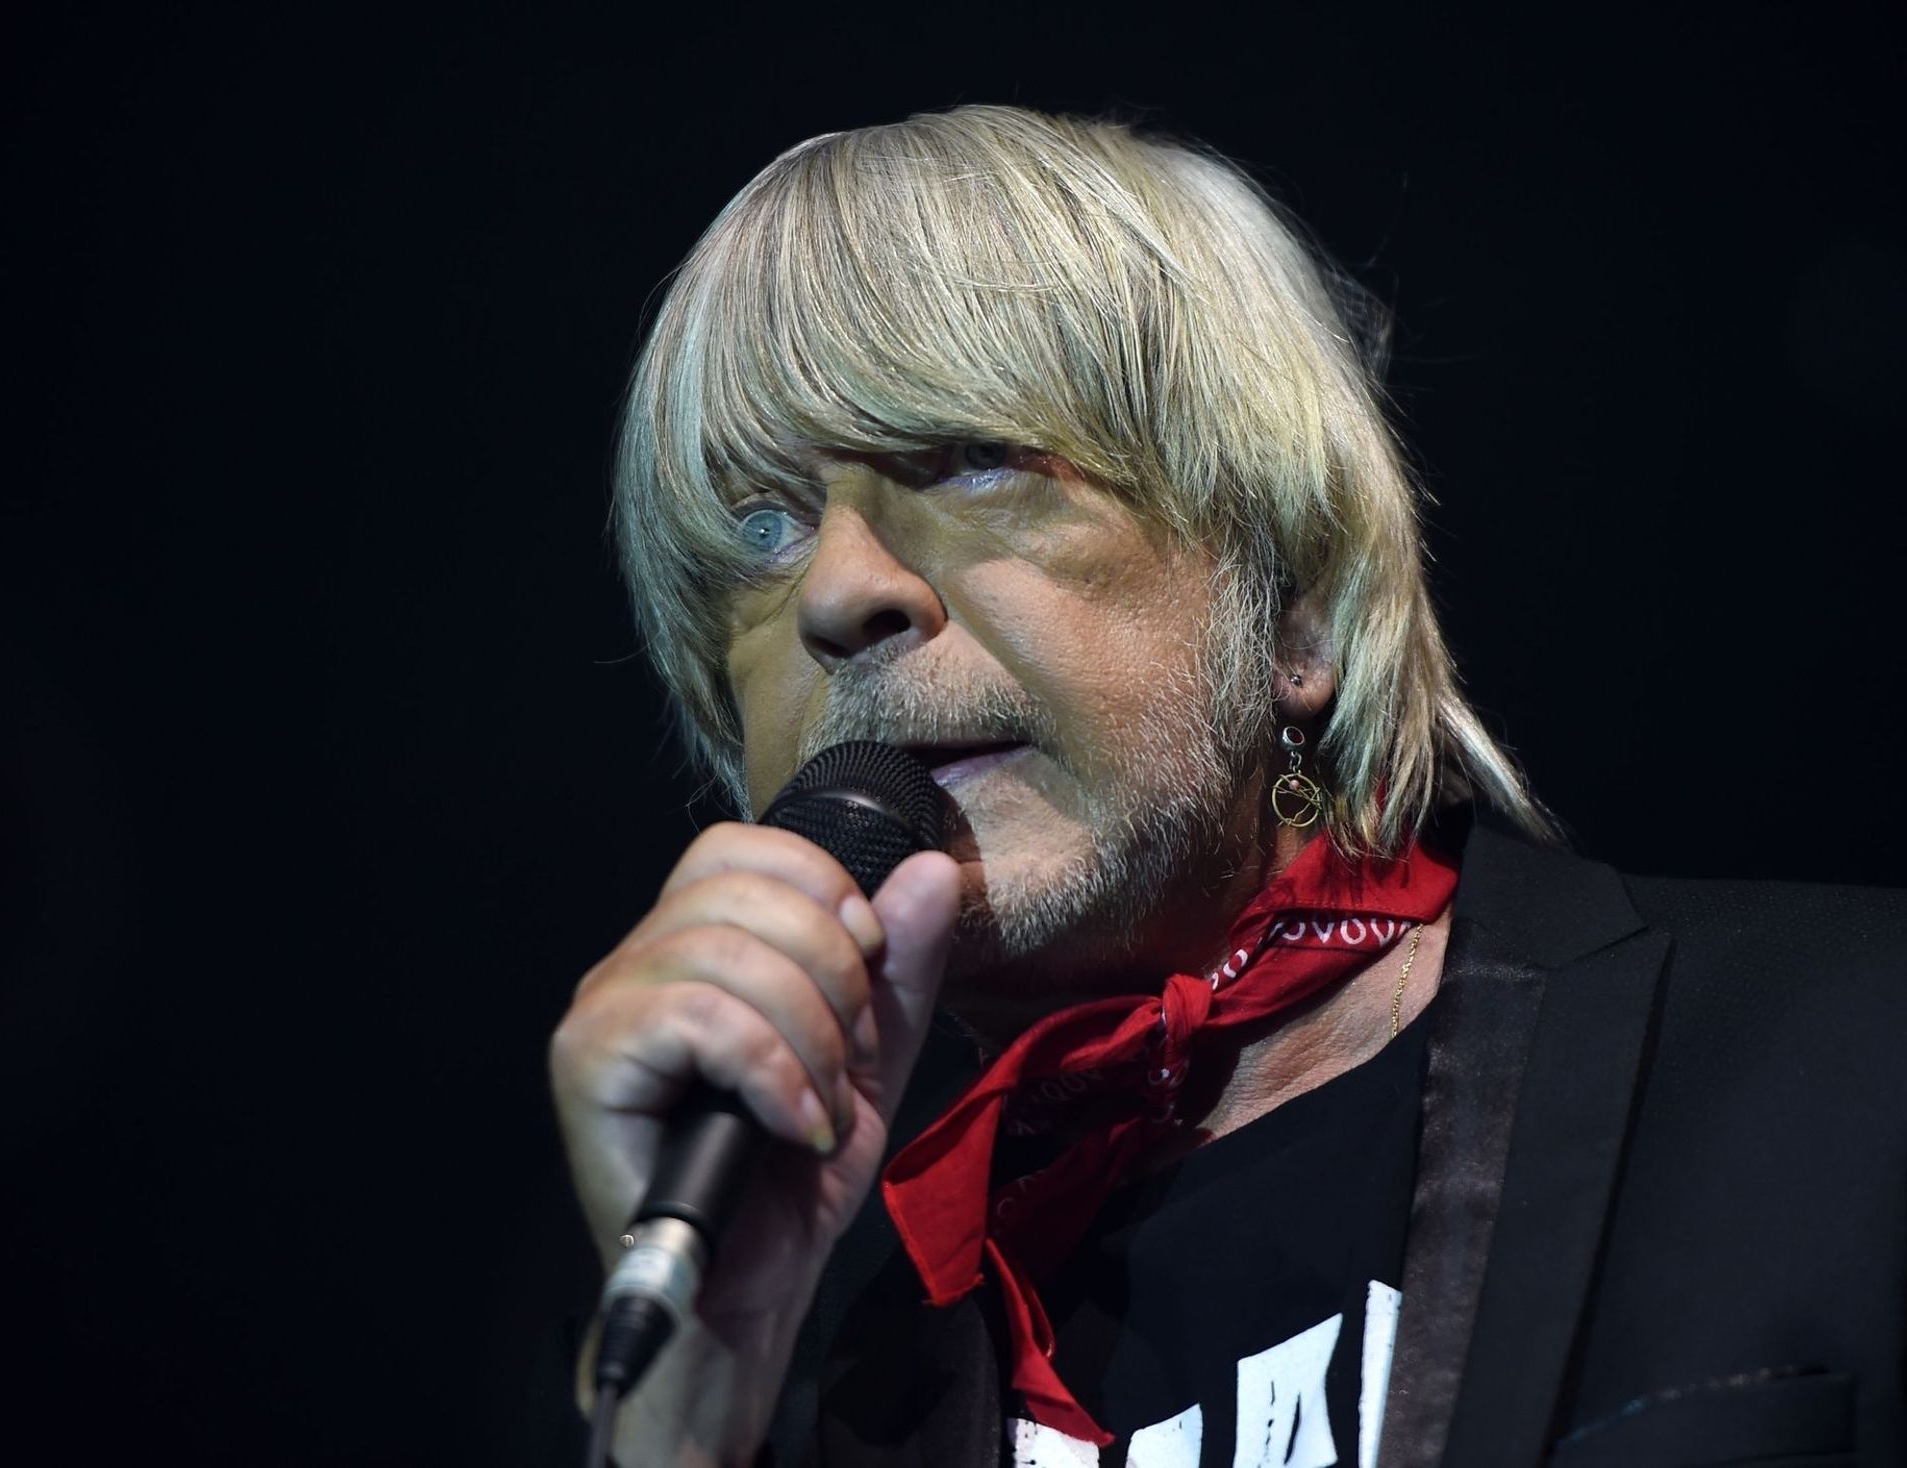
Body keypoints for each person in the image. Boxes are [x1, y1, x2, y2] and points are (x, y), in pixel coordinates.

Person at [546, 105, 1907, 1466]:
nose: (842, 591)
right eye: (762, 528)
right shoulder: (837, 1403)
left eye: (973, 460)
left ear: (1297, 610)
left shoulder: (1844, 1058)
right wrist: (687, 1412)